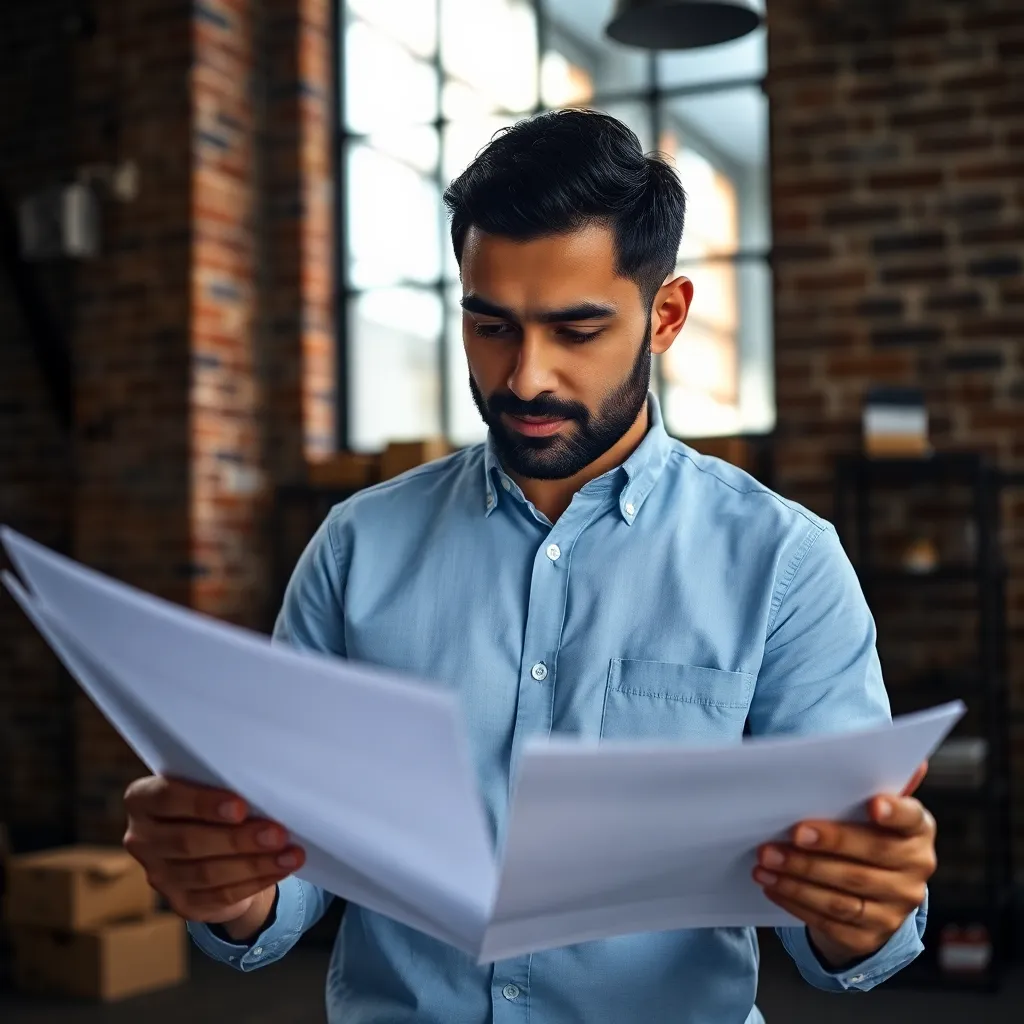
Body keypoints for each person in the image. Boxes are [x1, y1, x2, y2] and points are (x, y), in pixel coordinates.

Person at [122, 109, 936, 1023]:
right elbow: (296, 858)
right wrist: (231, 884)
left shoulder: (785, 563)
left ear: (665, 317)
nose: (524, 378)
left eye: (576, 331)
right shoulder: (355, 548)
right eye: (491, 327)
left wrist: (861, 905)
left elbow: (849, 928)